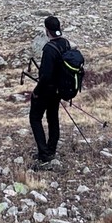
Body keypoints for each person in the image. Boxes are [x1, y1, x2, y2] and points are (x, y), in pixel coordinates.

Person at [29, 15, 68, 168]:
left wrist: (37, 91)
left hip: (47, 90)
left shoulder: (49, 49)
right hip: (58, 90)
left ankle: (44, 153)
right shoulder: (65, 43)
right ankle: (51, 149)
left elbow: (45, 76)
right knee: (53, 118)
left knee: (35, 118)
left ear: (47, 30)